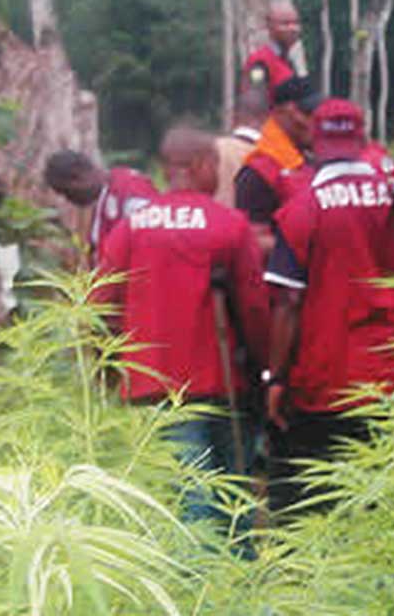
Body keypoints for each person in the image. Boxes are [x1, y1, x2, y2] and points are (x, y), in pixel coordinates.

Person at [262, 98, 394, 511]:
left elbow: (287, 302)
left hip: (327, 381)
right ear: (362, 140)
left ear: (315, 145)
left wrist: (276, 378)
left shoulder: (302, 210)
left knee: (325, 504)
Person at [97, 127, 269, 534]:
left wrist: (106, 370)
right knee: (232, 496)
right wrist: (265, 371)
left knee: (187, 499)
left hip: (153, 388)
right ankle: (237, 582)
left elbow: (101, 306)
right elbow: (255, 308)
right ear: (200, 166)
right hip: (222, 384)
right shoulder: (229, 225)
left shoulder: (131, 227)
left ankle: (196, 588)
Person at [234, 74, 319, 252]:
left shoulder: (309, 160)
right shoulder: (258, 173)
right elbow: (253, 242)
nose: (315, 121)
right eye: (307, 113)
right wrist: (316, 245)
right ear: (281, 113)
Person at [43, 151, 157, 263]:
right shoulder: (104, 198)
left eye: (67, 192)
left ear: (79, 177)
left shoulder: (128, 191)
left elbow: (152, 240)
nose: (69, 200)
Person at [213, 89, 267, 208]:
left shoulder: (212, 149)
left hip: (214, 221)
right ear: (268, 118)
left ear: (234, 117)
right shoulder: (273, 155)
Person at [242, 3, 302, 92]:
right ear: (269, 26)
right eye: (285, 24)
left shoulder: (288, 61)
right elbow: (254, 98)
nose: (292, 28)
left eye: (296, 23)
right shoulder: (260, 61)